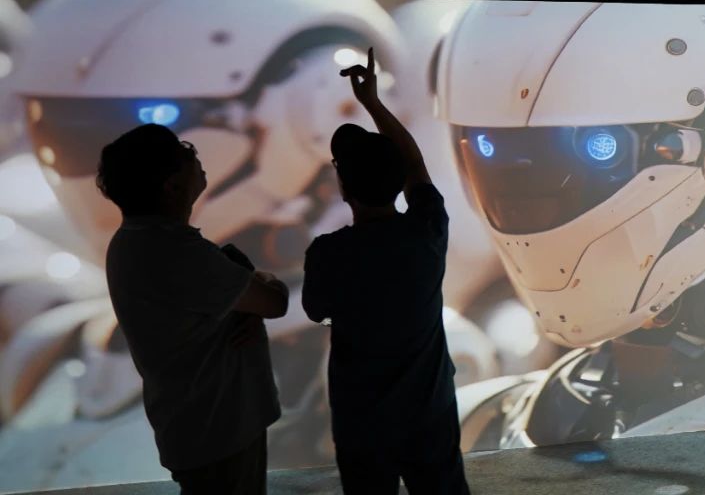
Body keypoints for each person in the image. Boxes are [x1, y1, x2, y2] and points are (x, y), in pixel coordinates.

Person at [302, 48, 469, 495]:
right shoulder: (427, 233)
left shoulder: (329, 253)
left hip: (362, 423)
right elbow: (415, 164)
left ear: (343, 188)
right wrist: (374, 104)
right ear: (398, 184)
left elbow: (316, 310)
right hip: (428, 413)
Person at [97, 124, 288, 495]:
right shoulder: (178, 253)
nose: (196, 157)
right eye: (186, 154)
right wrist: (265, 281)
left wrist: (246, 299)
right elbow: (273, 303)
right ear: (171, 186)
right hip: (220, 428)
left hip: (196, 426)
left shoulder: (135, 241)